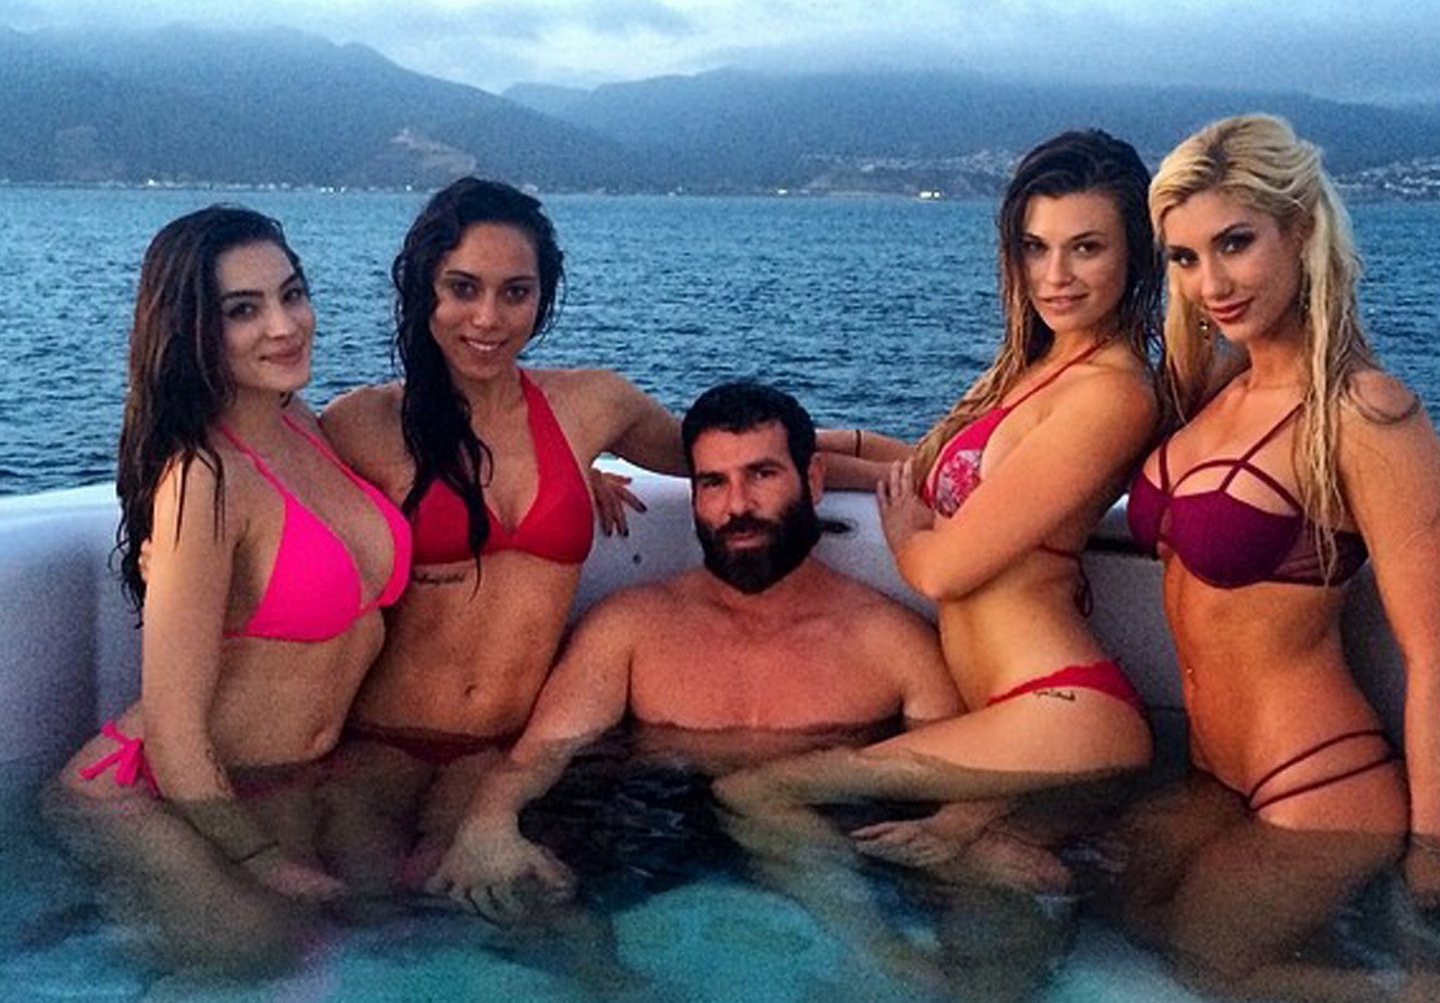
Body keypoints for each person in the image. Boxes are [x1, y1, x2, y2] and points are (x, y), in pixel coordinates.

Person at [714, 129, 1161, 880]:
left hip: (1060, 707)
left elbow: (942, 570)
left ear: (1134, 256)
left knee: (752, 793)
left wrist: (906, 533)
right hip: (1008, 715)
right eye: (1036, 247)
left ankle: (871, 943)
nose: (1055, 276)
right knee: (984, 901)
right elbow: (930, 474)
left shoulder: (1112, 394)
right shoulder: (1041, 368)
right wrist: (791, 452)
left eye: (1086, 248)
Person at [422, 380, 960, 920]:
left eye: (762, 474)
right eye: (713, 483)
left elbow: (963, 773)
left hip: (841, 850)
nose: (737, 506)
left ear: (814, 478)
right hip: (653, 841)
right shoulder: (633, 628)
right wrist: (487, 825)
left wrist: (969, 827)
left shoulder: (890, 642)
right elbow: (541, 754)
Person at [1112, 113, 1440, 996]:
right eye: (1184, 258)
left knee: (1205, 971)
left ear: (1299, 231)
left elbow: (1434, 651)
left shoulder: (1366, 413)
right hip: (1213, 775)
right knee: (1113, 913)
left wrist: (1431, 851)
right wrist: (858, 453)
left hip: (1321, 787)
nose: (1210, 284)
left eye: (1235, 243)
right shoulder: (1214, 390)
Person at [44, 206, 412, 972]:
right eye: (243, 310)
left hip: (279, 780)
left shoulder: (302, 422)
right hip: (146, 791)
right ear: (192, 330)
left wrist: (589, 478)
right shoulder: (203, 481)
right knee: (258, 953)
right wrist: (265, 866)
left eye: (292, 293)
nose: (284, 325)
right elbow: (175, 733)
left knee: (398, 931)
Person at [318, 177, 686, 891]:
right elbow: (254, 478)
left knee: (528, 917)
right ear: (423, 289)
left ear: (542, 298)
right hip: (378, 745)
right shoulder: (362, 424)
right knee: (367, 919)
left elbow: (725, 450)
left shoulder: (591, 407)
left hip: (507, 751)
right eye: (462, 288)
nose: (488, 318)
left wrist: (894, 463)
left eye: (515, 292)